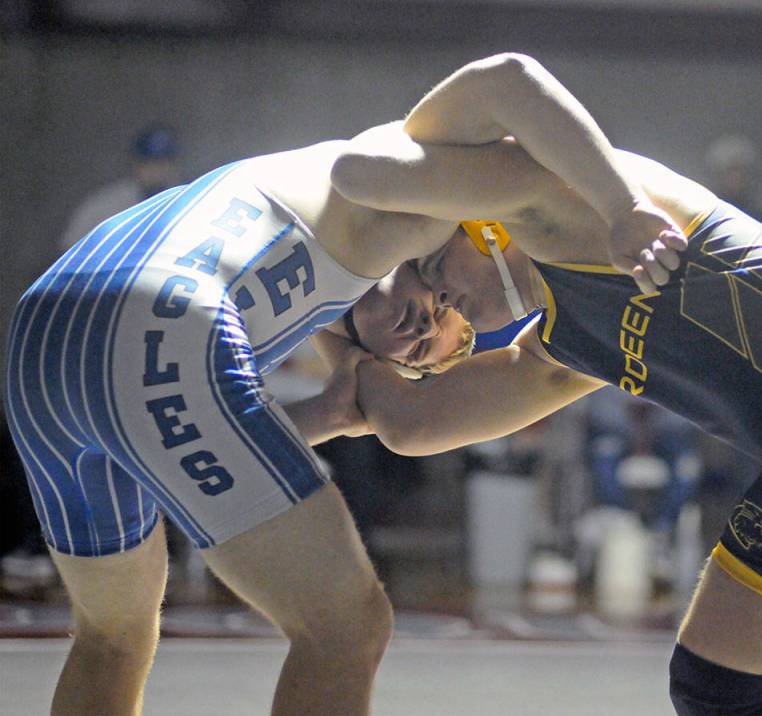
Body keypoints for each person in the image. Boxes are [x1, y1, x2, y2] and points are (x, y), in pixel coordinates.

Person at [308, 53, 762, 715]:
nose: (435, 306)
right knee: (714, 683)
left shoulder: (552, 201)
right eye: (423, 338)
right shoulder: (558, 347)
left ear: (453, 221)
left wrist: (620, 208)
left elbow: (492, 86)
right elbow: (406, 423)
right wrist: (335, 371)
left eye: (426, 279)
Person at [4, 131, 476, 714]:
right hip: (159, 320)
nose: (421, 324)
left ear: (389, 367)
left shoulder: (319, 295)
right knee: (345, 626)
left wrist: (329, 412)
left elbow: (186, 437)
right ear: (426, 270)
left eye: (422, 348)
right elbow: (495, 95)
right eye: (440, 305)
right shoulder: (402, 226)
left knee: (114, 635)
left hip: (41, 335)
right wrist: (617, 209)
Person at [59, 126, 185, 251]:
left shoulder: (188, 200)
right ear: (135, 163)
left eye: (162, 162)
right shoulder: (106, 203)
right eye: (148, 162)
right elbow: (71, 247)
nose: (155, 170)